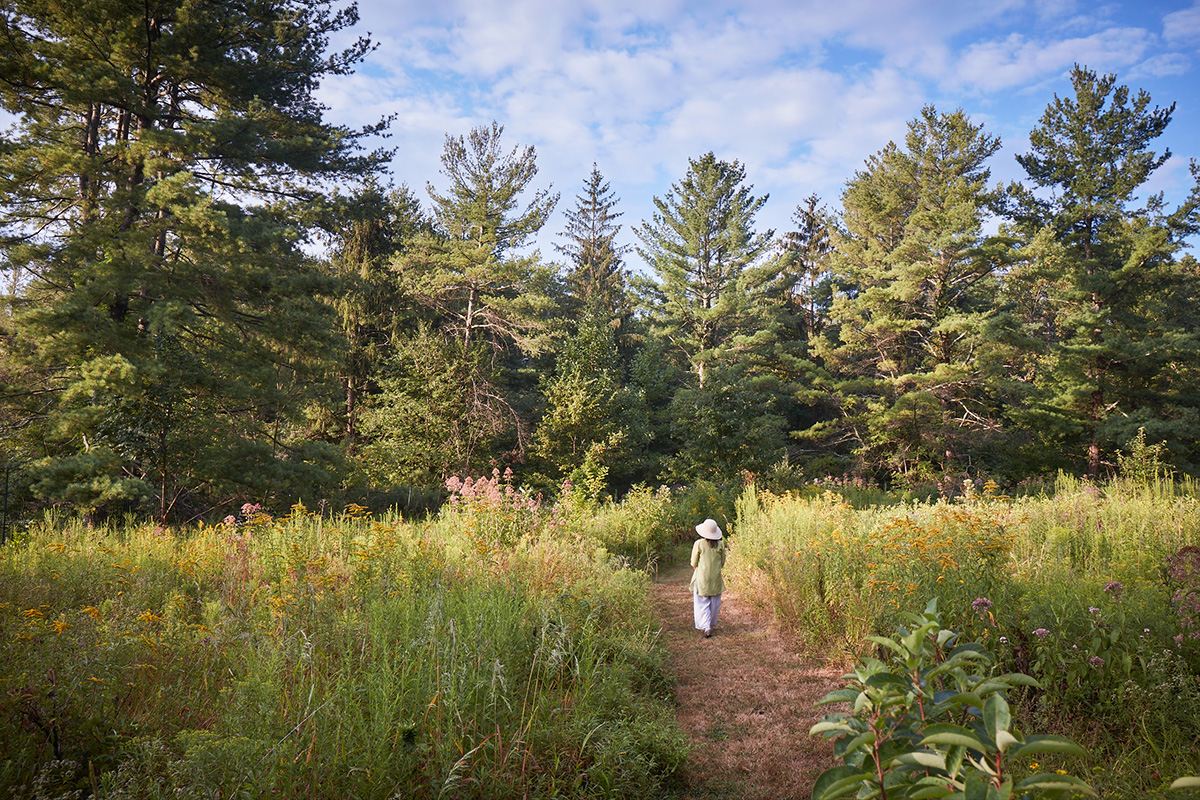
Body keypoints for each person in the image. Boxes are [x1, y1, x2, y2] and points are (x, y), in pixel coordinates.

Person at [690, 518, 726, 638]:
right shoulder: (721, 544)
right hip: (716, 577)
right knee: (714, 602)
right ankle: (710, 623)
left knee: (702, 602)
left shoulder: (699, 544)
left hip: (702, 577)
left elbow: (693, 563)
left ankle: (706, 627)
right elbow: (722, 562)